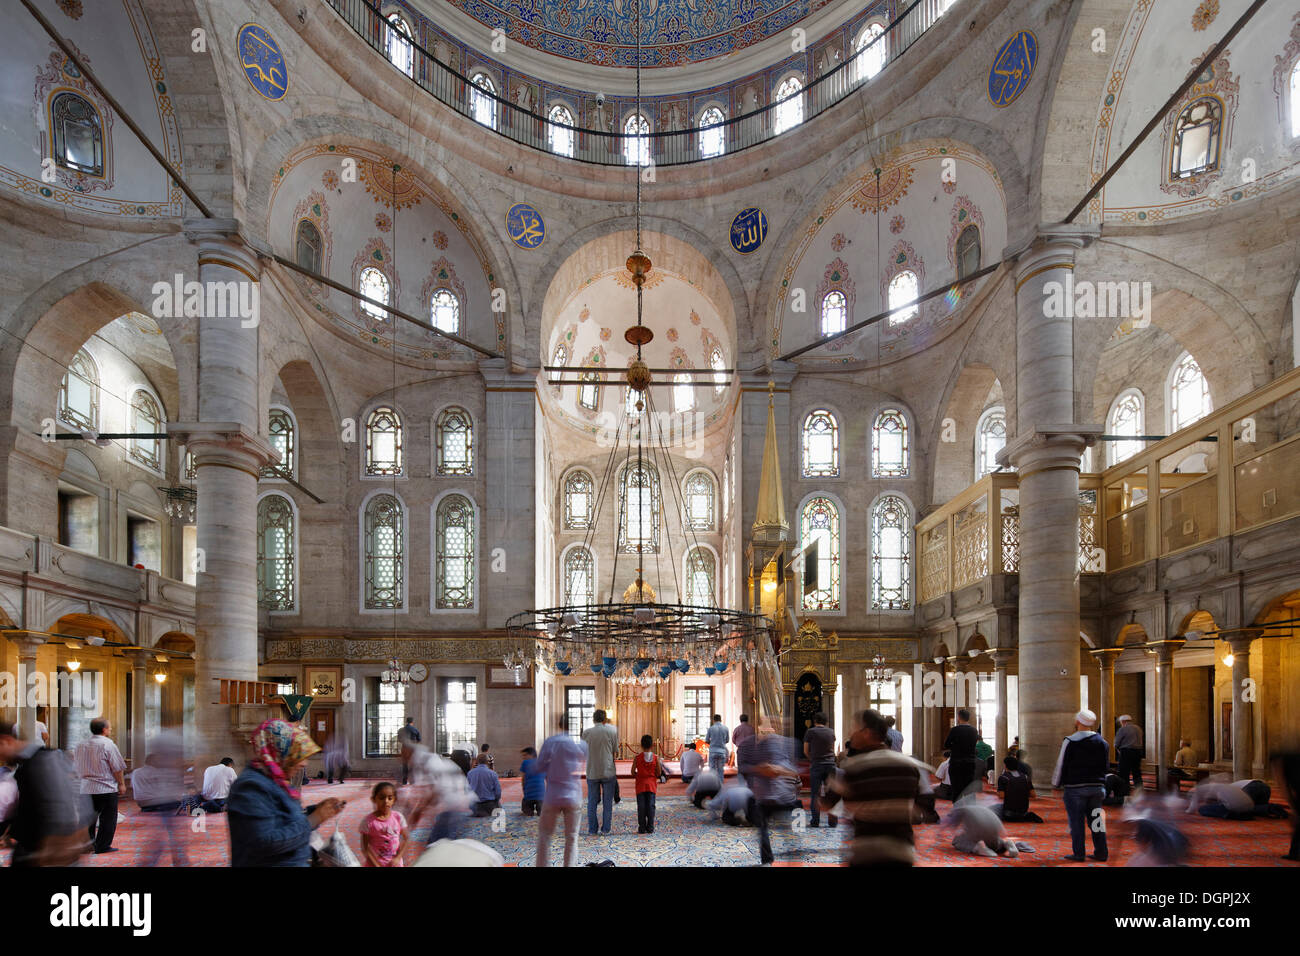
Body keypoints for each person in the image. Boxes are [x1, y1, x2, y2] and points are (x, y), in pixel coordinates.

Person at [227, 719, 344, 867]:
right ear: (279, 750)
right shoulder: (250, 787)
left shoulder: (275, 780)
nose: (303, 763)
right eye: (296, 754)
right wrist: (314, 819)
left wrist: (314, 811)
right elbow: (265, 843)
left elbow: (282, 820)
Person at [832, 709, 921, 867]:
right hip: (902, 851)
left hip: (868, 853)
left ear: (866, 733)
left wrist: (837, 788)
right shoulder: (910, 766)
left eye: (853, 728)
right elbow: (918, 809)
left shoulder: (856, 767)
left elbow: (843, 805)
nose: (850, 733)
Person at [0, 720, 88, 867]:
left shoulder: (43, 761)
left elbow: (65, 803)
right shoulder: (26, 765)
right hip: (40, 848)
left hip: (50, 850)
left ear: (5, 742)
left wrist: (62, 841)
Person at [737, 720, 801, 866]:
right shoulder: (749, 745)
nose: (768, 731)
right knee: (763, 830)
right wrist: (759, 769)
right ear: (758, 728)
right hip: (763, 796)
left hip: (783, 795)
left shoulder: (788, 744)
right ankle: (767, 860)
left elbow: (796, 771)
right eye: (764, 728)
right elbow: (743, 768)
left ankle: (794, 859)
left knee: (788, 830)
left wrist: (779, 771)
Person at [1051, 709, 1109, 862]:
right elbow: (1106, 766)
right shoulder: (1102, 742)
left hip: (1075, 788)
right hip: (1097, 787)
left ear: (1077, 722)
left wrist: (1056, 785)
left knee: (1076, 823)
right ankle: (1101, 852)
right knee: (1097, 822)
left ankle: (1079, 854)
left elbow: (1061, 764)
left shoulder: (1070, 741)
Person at [536, 717, 587, 867]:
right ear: (573, 726)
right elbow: (583, 765)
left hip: (553, 795)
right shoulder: (581, 744)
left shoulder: (550, 742)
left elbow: (539, 767)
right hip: (573, 795)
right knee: (572, 837)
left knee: (545, 836)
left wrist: (550, 770)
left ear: (558, 725)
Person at [74, 717, 126, 855]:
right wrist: (121, 784)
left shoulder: (80, 745)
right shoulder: (107, 744)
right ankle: (102, 846)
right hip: (106, 787)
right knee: (108, 819)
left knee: (87, 819)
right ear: (104, 730)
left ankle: (87, 845)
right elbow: (117, 767)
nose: (111, 729)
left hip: (85, 788)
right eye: (110, 727)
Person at [404, 743, 470, 843]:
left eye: (402, 753)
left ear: (408, 751)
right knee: (439, 840)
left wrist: (418, 811)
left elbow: (435, 790)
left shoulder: (425, 761)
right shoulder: (423, 760)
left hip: (452, 803)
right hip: (451, 802)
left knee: (439, 843)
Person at [582, 709, 619, 835]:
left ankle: (592, 829)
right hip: (608, 770)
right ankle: (606, 829)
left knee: (592, 802)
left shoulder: (586, 733)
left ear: (593, 719)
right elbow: (615, 750)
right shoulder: (611, 731)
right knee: (607, 802)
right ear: (604, 720)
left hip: (592, 771)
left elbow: (583, 751)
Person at [946, 801, 1020, 858]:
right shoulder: (982, 808)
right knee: (996, 843)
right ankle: (1006, 844)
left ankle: (977, 848)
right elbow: (1001, 831)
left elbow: (951, 827)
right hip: (994, 830)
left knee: (957, 841)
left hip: (980, 831)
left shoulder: (961, 811)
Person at [360, 781, 409, 867]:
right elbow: (366, 847)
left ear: (394, 800)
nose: (386, 801)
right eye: (381, 798)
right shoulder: (368, 821)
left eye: (390, 798)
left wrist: (398, 858)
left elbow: (406, 839)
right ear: (374, 799)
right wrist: (376, 865)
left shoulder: (398, 817)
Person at [803, 712, 837, 827]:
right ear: (826, 721)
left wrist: (812, 759)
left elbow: (806, 750)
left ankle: (815, 821)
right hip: (830, 765)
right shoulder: (831, 732)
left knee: (815, 794)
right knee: (831, 794)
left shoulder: (810, 732)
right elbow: (832, 749)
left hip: (817, 765)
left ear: (815, 721)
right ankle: (833, 822)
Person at [1270, 750, 1300, 861]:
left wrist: (1293, 809)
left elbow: (1283, 787)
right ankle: (1294, 853)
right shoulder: (1292, 759)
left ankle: (1294, 853)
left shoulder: (1280, 763)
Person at [943, 709, 979, 802]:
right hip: (970, 763)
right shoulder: (974, 730)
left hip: (956, 763)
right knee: (969, 788)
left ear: (959, 717)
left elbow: (946, 744)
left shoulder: (955, 730)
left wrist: (955, 747)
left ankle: (957, 811)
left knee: (956, 789)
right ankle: (970, 811)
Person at [994, 756, 1042, 823]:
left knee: (992, 809)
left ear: (1005, 765)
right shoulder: (1025, 777)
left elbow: (1001, 796)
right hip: (1024, 809)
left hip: (1009, 812)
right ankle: (1024, 815)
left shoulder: (1003, 777)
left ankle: (1016, 816)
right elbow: (1033, 794)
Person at [632, 734, 664, 834]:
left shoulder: (637, 758)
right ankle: (650, 827)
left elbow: (632, 772)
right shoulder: (656, 758)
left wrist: (640, 774)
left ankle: (642, 827)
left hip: (640, 785)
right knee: (651, 806)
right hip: (651, 785)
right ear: (652, 745)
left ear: (641, 745)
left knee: (641, 806)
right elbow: (659, 773)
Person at [1185, 779, 1255, 819]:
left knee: (1203, 809)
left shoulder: (1198, 790)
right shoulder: (1222, 786)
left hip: (1238, 809)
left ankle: (1232, 815)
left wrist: (1188, 810)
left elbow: (1191, 810)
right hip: (1250, 808)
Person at [1114, 715, 1144, 793]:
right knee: (1136, 772)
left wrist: (1118, 749)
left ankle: (1125, 791)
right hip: (1138, 752)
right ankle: (1139, 791)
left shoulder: (1123, 729)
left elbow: (1116, 743)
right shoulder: (1138, 728)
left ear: (1123, 721)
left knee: (1124, 773)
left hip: (1126, 752)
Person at [520, 746, 545, 816]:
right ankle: (540, 810)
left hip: (529, 795)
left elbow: (523, 778)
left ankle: (529, 811)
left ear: (531, 755)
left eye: (525, 755)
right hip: (541, 795)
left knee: (527, 812)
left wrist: (523, 788)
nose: (523, 757)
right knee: (542, 812)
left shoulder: (525, 762)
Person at [397, 717, 421, 784]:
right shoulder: (415, 729)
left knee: (405, 765)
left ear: (406, 722)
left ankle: (404, 781)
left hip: (404, 748)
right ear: (412, 722)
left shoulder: (401, 730)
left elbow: (399, 740)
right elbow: (419, 739)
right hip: (412, 748)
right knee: (412, 764)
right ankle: (412, 781)